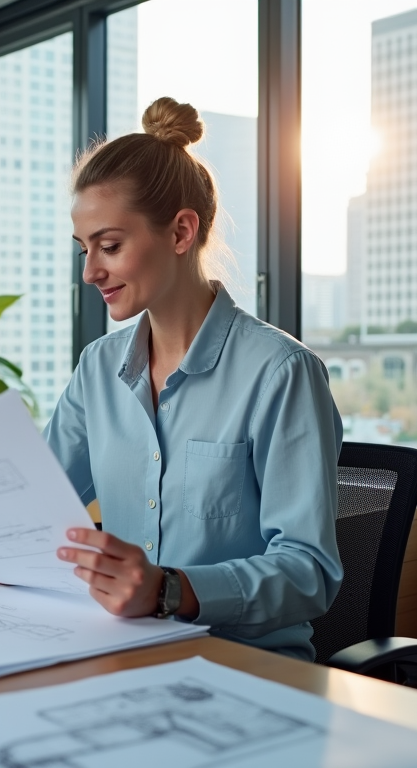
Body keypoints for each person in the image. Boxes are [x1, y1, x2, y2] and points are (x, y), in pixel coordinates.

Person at [46, 97, 343, 661]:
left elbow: (309, 571)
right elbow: (35, 501)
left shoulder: (281, 374)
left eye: (109, 246)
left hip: (247, 666)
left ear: (181, 232)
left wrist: (169, 590)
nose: (89, 272)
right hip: (124, 655)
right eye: (84, 250)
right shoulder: (97, 370)